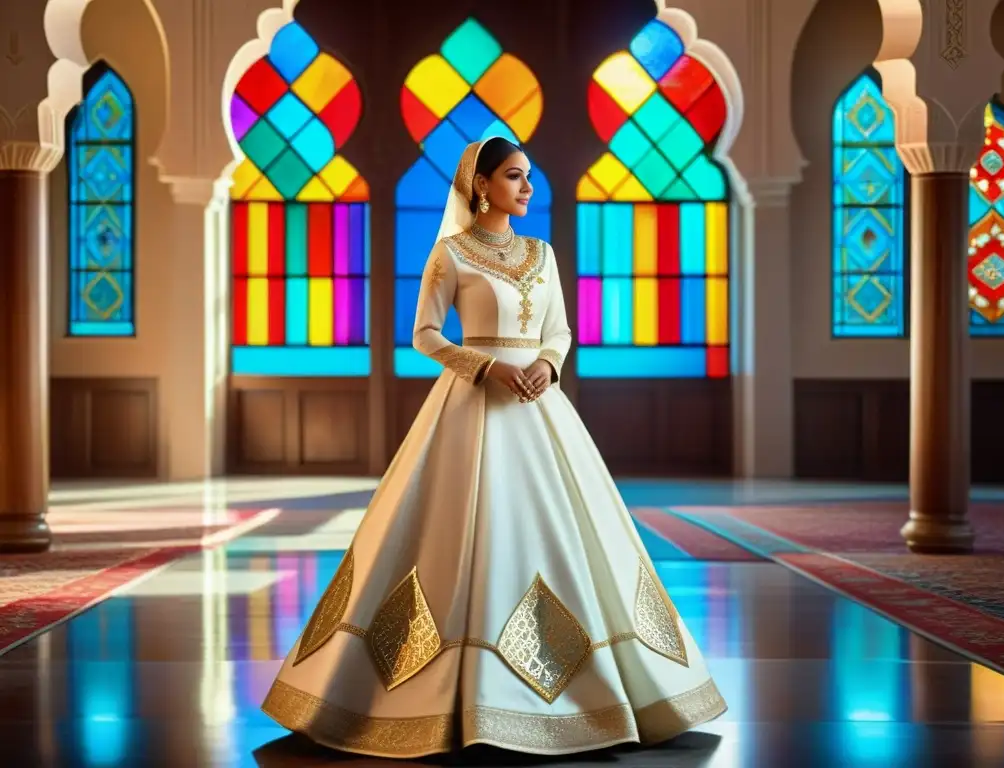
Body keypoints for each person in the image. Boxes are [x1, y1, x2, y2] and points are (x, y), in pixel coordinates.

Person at [261, 137, 727, 758]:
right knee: (455, 537)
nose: (528, 188)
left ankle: (602, 696)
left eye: (529, 177)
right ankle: (443, 701)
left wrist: (547, 366)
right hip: (471, 409)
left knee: (568, 535)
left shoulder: (542, 252)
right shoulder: (450, 255)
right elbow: (424, 335)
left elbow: (560, 329)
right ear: (482, 186)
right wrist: (484, 367)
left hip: (540, 410)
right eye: (514, 177)